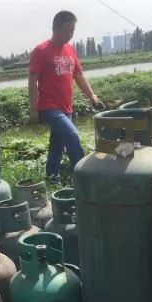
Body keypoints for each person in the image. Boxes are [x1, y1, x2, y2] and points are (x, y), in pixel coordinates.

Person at [28, 11, 104, 183]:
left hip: (66, 106)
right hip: (49, 107)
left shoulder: (70, 49)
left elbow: (78, 75)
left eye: (72, 30)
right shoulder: (41, 51)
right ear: (55, 28)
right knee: (73, 135)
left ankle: (52, 179)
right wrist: (33, 109)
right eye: (66, 30)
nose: (70, 35)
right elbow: (32, 79)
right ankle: (84, 179)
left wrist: (92, 96)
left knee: (57, 144)